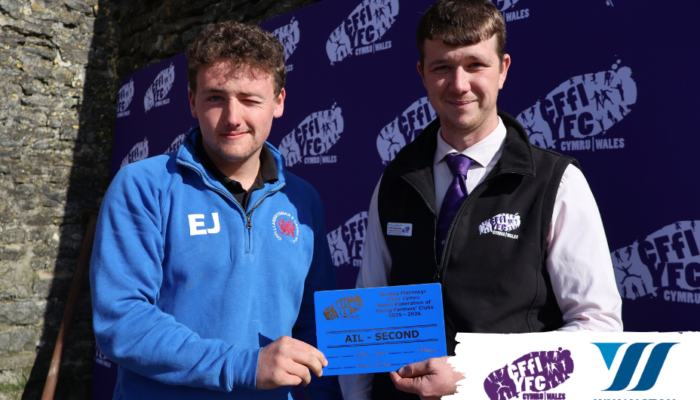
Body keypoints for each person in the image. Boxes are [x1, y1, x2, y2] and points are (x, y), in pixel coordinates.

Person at [339, 1, 622, 399]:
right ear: (422, 74)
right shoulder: (395, 182)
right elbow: (368, 314)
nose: (458, 84)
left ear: (503, 69)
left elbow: (599, 328)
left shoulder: (557, 183)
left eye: (475, 65)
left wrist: (471, 373)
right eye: (442, 67)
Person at [90, 21, 341, 400]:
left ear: (279, 102)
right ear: (192, 101)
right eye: (215, 98)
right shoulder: (142, 186)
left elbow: (316, 325)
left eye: (250, 99)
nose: (232, 117)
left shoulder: (302, 200)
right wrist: (244, 366)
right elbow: (122, 322)